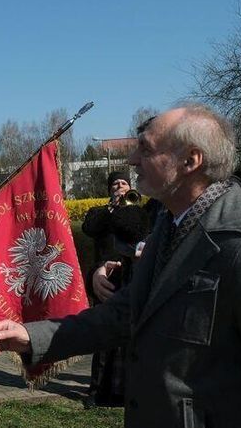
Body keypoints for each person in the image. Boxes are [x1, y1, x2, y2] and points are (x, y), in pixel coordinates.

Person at [0, 104, 241, 428]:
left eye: (147, 150)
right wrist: (33, 335)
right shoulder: (170, 227)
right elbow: (127, 313)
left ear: (190, 161)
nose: (134, 160)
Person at [79, 170, 150, 406]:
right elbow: (90, 228)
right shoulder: (101, 212)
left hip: (130, 275)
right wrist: (112, 207)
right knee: (103, 334)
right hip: (105, 277)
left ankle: (124, 389)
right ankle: (96, 390)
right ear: (109, 189)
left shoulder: (137, 210)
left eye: (124, 183)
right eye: (115, 184)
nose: (120, 186)